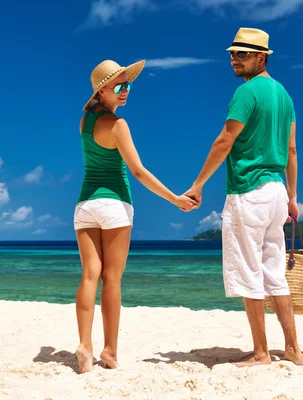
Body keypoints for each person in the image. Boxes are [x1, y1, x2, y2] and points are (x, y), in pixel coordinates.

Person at [184, 28, 303, 367]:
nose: (234, 60)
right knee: (274, 273)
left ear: (261, 57)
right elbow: (292, 150)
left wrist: (198, 184)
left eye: (242, 54)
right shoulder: (284, 96)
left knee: (251, 273)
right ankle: (293, 349)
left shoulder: (247, 92)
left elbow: (224, 141)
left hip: (249, 191)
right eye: (232, 54)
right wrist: (293, 197)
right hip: (277, 192)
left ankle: (262, 353)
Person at [74, 59, 197, 373]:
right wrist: (175, 199)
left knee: (90, 275)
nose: (125, 90)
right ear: (102, 89)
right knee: (112, 279)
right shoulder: (118, 125)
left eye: (128, 84)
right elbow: (138, 172)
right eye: (119, 85)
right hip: (114, 205)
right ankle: (110, 351)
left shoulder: (84, 121)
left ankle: (84, 345)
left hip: (85, 206)